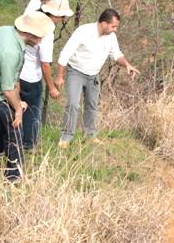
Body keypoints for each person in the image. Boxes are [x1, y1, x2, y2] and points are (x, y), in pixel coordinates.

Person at [0, 12, 54, 180]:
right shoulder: (11, 51)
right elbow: (7, 89)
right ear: (31, 34)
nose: (42, 40)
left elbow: (12, 80)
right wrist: (18, 108)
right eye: (41, 36)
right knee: (14, 128)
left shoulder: (5, 30)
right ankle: (14, 176)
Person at [55, 8, 140, 148]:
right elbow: (65, 53)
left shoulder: (111, 37)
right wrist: (59, 76)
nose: (115, 29)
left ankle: (90, 135)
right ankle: (66, 137)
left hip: (93, 75)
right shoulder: (83, 31)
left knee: (92, 105)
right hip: (76, 72)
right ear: (104, 24)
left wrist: (127, 65)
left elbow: (117, 55)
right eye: (113, 26)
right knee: (73, 104)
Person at [19, 0, 74, 150]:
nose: (62, 19)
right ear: (54, 14)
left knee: (15, 106)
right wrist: (51, 87)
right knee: (32, 111)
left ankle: (13, 137)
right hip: (30, 77)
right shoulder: (47, 32)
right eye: (62, 16)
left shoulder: (31, 14)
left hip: (15, 72)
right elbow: (45, 64)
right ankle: (28, 144)